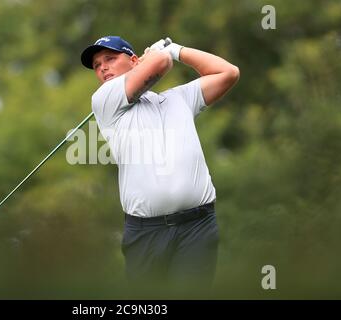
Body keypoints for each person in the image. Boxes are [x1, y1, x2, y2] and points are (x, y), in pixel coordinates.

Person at [80, 36, 239, 296]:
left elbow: (228, 72)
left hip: (197, 227)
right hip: (146, 233)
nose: (103, 68)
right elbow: (161, 63)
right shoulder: (105, 99)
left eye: (110, 59)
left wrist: (177, 50)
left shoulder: (179, 99)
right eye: (97, 65)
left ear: (133, 60)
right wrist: (161, 54)